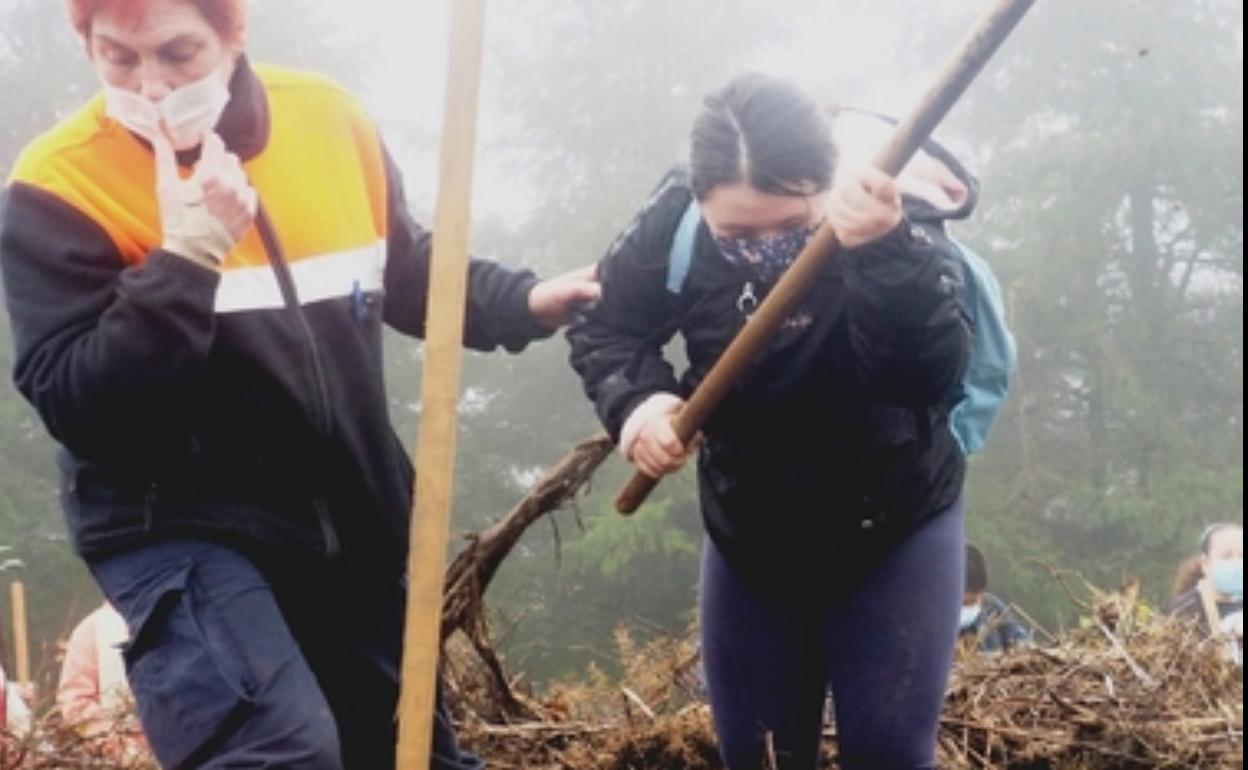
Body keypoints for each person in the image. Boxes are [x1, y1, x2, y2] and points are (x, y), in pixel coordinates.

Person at [0, 1, 598, 767]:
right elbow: (83, 406)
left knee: (405, 756)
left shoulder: (329, 121)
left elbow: (406, 268)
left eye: (178, 53)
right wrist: (187, 259)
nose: (150, 86)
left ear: (233, 33)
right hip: (174, 522)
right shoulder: (59, 181)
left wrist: (523, 300)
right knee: (278, 751)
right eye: (118, 58)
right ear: (85, 44)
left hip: (343, 517)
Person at [569, 73, 977, 770]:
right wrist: (641, 407)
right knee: (760, 760)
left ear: (824, 182)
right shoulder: (677, 220)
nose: (762, 247)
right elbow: (606, 325)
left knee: (888, 759)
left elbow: (926, 378)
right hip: (751, 532)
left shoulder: (891, 210)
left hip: (894, 522)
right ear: (701, 200)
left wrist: (884, 251)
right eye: (736, 234)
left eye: (789, 227)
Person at [57, 601, 148, 755]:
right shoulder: (93, 628)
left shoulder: (178, 621)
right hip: (120, 754)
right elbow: (75, 703)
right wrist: (119, 745)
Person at [1167, 523, 1243, 664]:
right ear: (1205, 563)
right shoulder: (1184, 610)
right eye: (1227, 556)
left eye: (1242, 555)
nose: (1237, 563)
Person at [959, 543, 1031, 654]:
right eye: (964, 603)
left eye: (974, 600)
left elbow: (1019, 637)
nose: (971, 607)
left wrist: (1022, 647)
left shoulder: (991, 607)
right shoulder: (935, 623)